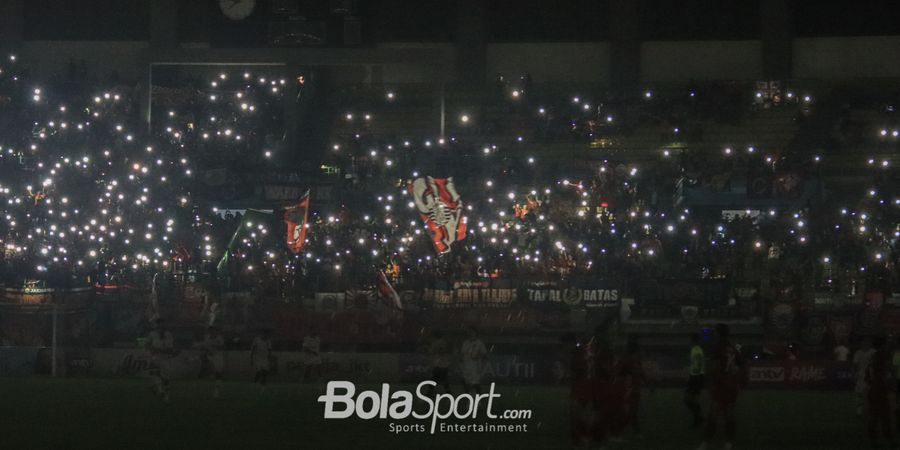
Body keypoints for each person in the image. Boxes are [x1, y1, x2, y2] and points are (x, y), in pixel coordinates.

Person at [697, 324, 744, 450]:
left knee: (713, 414)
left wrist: (709, 381)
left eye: (715, 332)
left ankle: (706, 443)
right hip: (732, 384)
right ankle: (728, 443)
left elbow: (715, 366)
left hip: (721, 384)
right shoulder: (732, 347)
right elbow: (740, 363)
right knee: (729, 414)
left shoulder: (718, 346)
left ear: (718, 333)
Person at [865, 336, 897, 448]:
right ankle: (889, 439)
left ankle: (873, 440)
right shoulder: (881, 355)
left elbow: (867, 375)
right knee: (885, 416)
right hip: (880, 389)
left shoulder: (873, 356)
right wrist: (889, 385)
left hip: (873, 389)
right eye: (886, 343)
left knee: (874, 415)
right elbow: (885, 372)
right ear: (882, 345)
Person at [146, 319, 175, 403]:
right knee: (154, 372)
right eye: (159, 325)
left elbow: (170, 349)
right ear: (156, 326)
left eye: (162, 325)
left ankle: (165, 394)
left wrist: (161, 350)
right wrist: (152, 349)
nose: (160, 327)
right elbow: (147, 345)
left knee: (165, 378)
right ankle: (161, 392)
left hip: (165, 358)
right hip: (155, 357)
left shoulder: (168, 334)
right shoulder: (152, 334)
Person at [685, 333, 706, 429]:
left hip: (696, 377)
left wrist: (694, 375)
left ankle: (698, 418)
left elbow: (698, 363)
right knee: (690, 399)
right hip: (696, 376)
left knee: (689, 399)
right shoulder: (696, 349)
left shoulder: (696, 350)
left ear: (693, 341)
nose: (689, 342)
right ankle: (699, 418)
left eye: (690, 340)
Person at [198, 326, 225, 398]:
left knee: (218, 372)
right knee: (205, 361)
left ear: (215, 331)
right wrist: (205, 352)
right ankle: (208, 373)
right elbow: (205, 347)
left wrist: (215, 346)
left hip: (218, 356)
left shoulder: (219, 338)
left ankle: (217, 388)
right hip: (210, 356)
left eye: (213, 331)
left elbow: (222, 347)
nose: (211, 332)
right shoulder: (207, 338)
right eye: (210, 331)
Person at [460, 327, 488, 394]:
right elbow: (462, 354)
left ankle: (478, 399)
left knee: (476, 384)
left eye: (473, 333)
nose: (471, 334)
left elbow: (485, 355)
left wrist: (478, 356)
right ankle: (468, 397)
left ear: (476, 334)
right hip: (467, 366)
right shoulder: (465, 343)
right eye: (470, 333)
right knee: (466, 382)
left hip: (476, 366)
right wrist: (462, 363)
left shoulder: (479, 343)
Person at [426, 330, 452, 395]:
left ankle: (430, 393)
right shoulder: (444, 342)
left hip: (439, 364)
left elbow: (431, 351)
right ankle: (448, 394)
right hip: (444, 364)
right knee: (443, 380)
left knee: (434, 379)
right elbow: (447, 350)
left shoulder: (436, 343)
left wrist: (428, 349)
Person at [855, 338, 876, 416]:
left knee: (871, 393)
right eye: (863, 343)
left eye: (867, 343)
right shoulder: (858, 353)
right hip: (861, 376)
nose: (865, 344)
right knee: (859, 393)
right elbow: (855, 365)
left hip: (871, 376)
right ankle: (859, 409)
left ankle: (870, 409)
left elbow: (876, 363)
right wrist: (855, 374)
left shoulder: (873, 352)